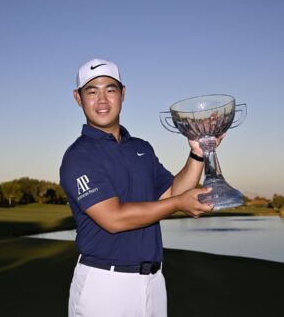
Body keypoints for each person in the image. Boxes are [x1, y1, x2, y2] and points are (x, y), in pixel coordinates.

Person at [59, 58, 223, 317]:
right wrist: (178, 204)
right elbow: (114, 218)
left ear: (123, 94)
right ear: (78, 98)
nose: (102, 100)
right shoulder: (79, 157)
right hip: (105, 285)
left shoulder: (141, 148)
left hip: (154, 282)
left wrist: (198, 154)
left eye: (110, 89)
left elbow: (171, 193)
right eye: (92, 91)